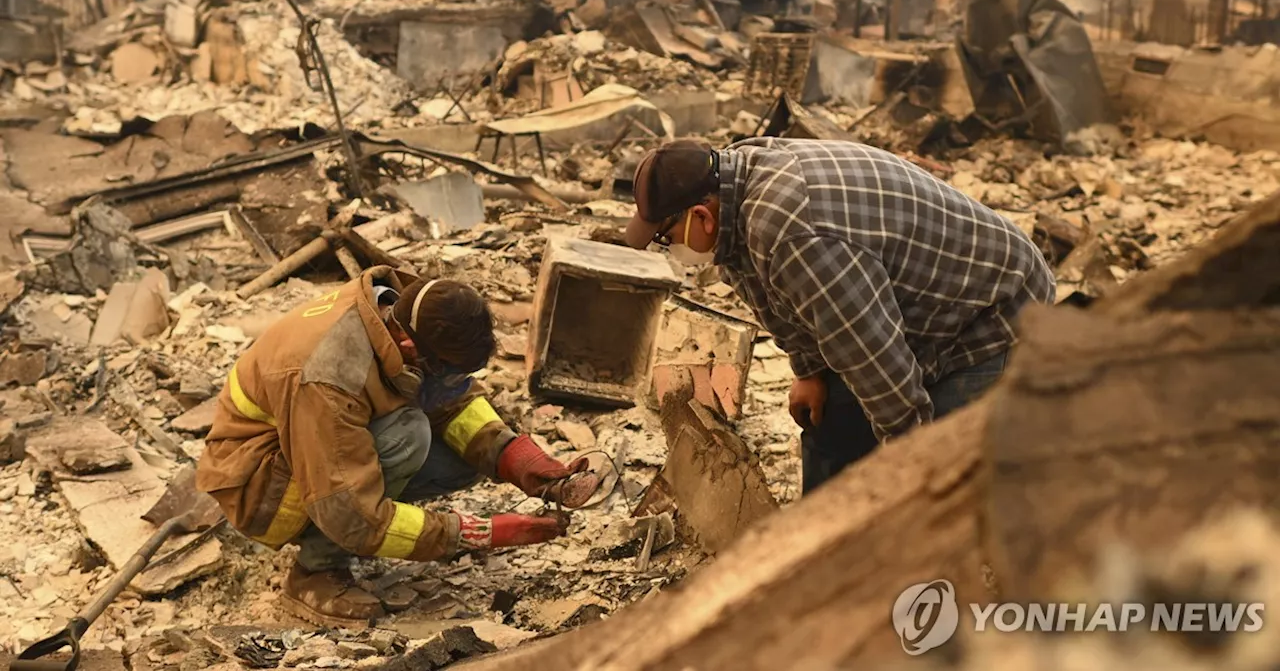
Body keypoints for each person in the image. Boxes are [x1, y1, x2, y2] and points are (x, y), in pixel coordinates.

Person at [623, 137, 1055, 494]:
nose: (667, 249)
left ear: (701, 215)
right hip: (912, 305)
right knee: (830, 427)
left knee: (938, 469)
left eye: (664, 237)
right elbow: (769, 294)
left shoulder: (794, 236)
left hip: (992, 310)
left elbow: (881, 366)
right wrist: (809, 370)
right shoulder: (733, 190)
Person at [196, 267, 598, 628]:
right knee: (408, 436)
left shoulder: (407, 312)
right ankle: (314, 572)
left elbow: (452, 401)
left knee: (461, 456)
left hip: (316, 448)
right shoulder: (329, 377)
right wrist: (478, 533)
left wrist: (522, 462)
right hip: (259, 484)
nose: (454, 381)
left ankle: (371, 526)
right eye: (447, 369)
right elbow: (348, 511)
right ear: (408, 347)